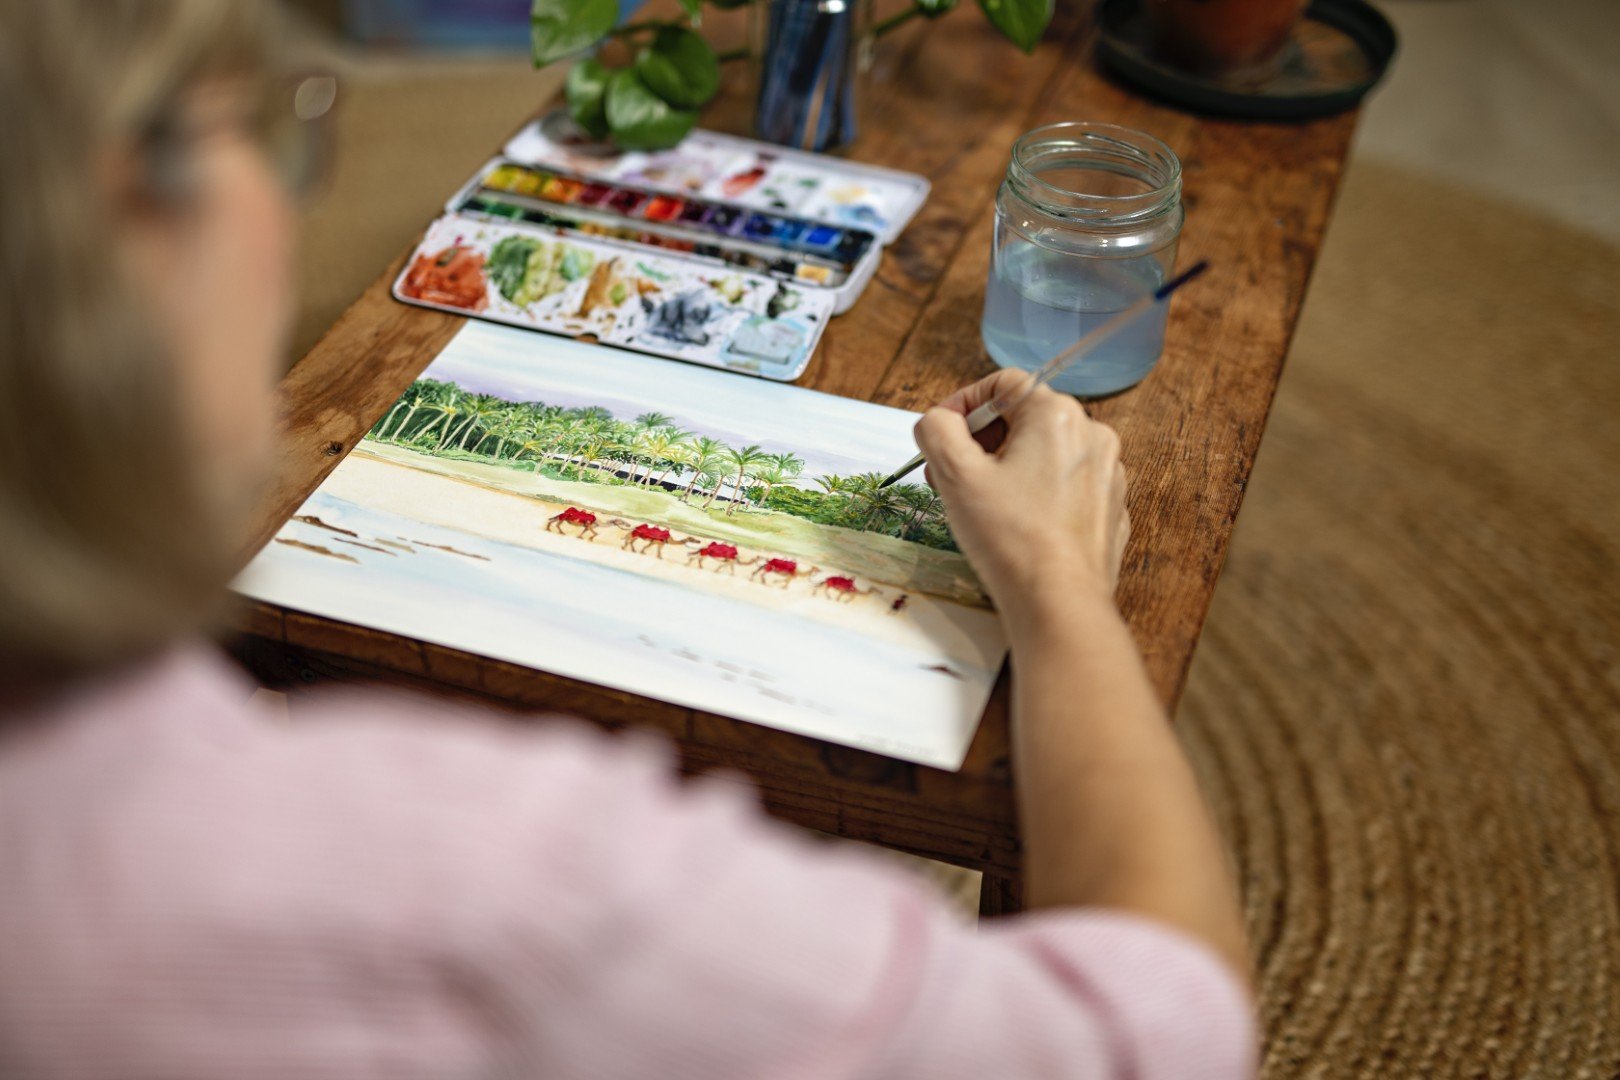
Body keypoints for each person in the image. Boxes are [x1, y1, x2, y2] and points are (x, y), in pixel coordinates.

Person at [0, 3, 1255, 1077]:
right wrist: (1056, 579)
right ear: (124, 228)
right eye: (280, 131)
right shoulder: (479, 866)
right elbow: (1159, 1036)